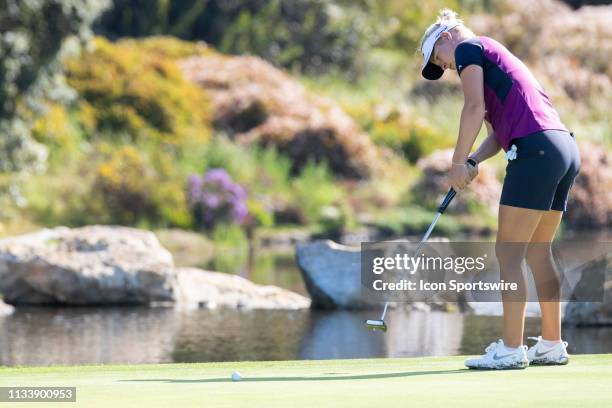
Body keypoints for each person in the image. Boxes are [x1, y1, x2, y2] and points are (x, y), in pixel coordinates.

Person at [418, 9, 580, 369]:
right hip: (562, 149)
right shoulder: (495, 54)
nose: (444, 67)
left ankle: (510, 348)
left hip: (536, 151)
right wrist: (474, 160)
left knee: (508, 254)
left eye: (438, 59)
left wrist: (456, 162)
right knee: (538, 251)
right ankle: (552, 344)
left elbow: (472, 108)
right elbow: (496, 133)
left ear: (445, 38)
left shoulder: (467, 48)